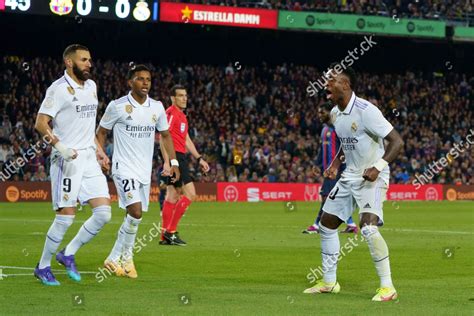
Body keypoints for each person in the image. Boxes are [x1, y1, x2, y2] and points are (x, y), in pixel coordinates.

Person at [303, 64, 404, 301]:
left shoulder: (366, 110)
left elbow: (397, 142)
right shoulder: (336, 114)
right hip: (350, 176)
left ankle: (388, 287)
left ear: (346, 85)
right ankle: (329, 282)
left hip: (373, 176)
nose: (327, 84)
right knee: (326, 225)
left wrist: (378, 167)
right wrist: (337, 164)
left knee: (368, 227)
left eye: (332, 81)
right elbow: (347, 142)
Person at [34, 44, 111, 286]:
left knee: (104, 214)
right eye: (84, 60)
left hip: (88, 158)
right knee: (66, 217)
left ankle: (67, 254)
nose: (89, 63)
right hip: (67, 159)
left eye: (90, 59)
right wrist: (60, 147)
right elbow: (40, 123)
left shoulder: (91, 86)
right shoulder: (58, 90)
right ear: (69, 62)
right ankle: (43, 266)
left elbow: (88, 125)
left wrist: (99, 152)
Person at [96, 64, 180, 278]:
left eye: (148, 79)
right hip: (123, 168)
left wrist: (174, 163)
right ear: (130, 82)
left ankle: (113, 258)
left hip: (144, 171)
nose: (145, 83)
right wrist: (101, 155)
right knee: (136, 212)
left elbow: (166, 136)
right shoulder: (117, 106)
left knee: (132, 217)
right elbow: (101, 131)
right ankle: (127, 258)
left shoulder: (157, 107)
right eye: (140, 79)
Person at [159, 85, 210, 246]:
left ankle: (164, 235)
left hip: (180, 157)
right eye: (180, 96)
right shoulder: (171, 114)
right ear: (173, 98)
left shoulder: (182, 116)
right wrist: (167, 162)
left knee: (172, 196)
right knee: (190, 194)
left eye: (185, 95)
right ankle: (171, 232)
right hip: (175, 158)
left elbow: (186, 140)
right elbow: (163, 136)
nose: (184, 98)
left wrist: (199, 158)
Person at [302, 102, 357, 234]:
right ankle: (350, 223)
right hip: (329, 170)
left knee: (327, 197)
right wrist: (317, 164)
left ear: (331, 112)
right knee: (331, 197)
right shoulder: (325, 129)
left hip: (338, 170)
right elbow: (323, 149)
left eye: (322, 112)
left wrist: (342, 168)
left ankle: (317, 225)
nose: (319, 115)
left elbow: (346, 149)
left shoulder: (339, 128)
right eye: (319, 112)